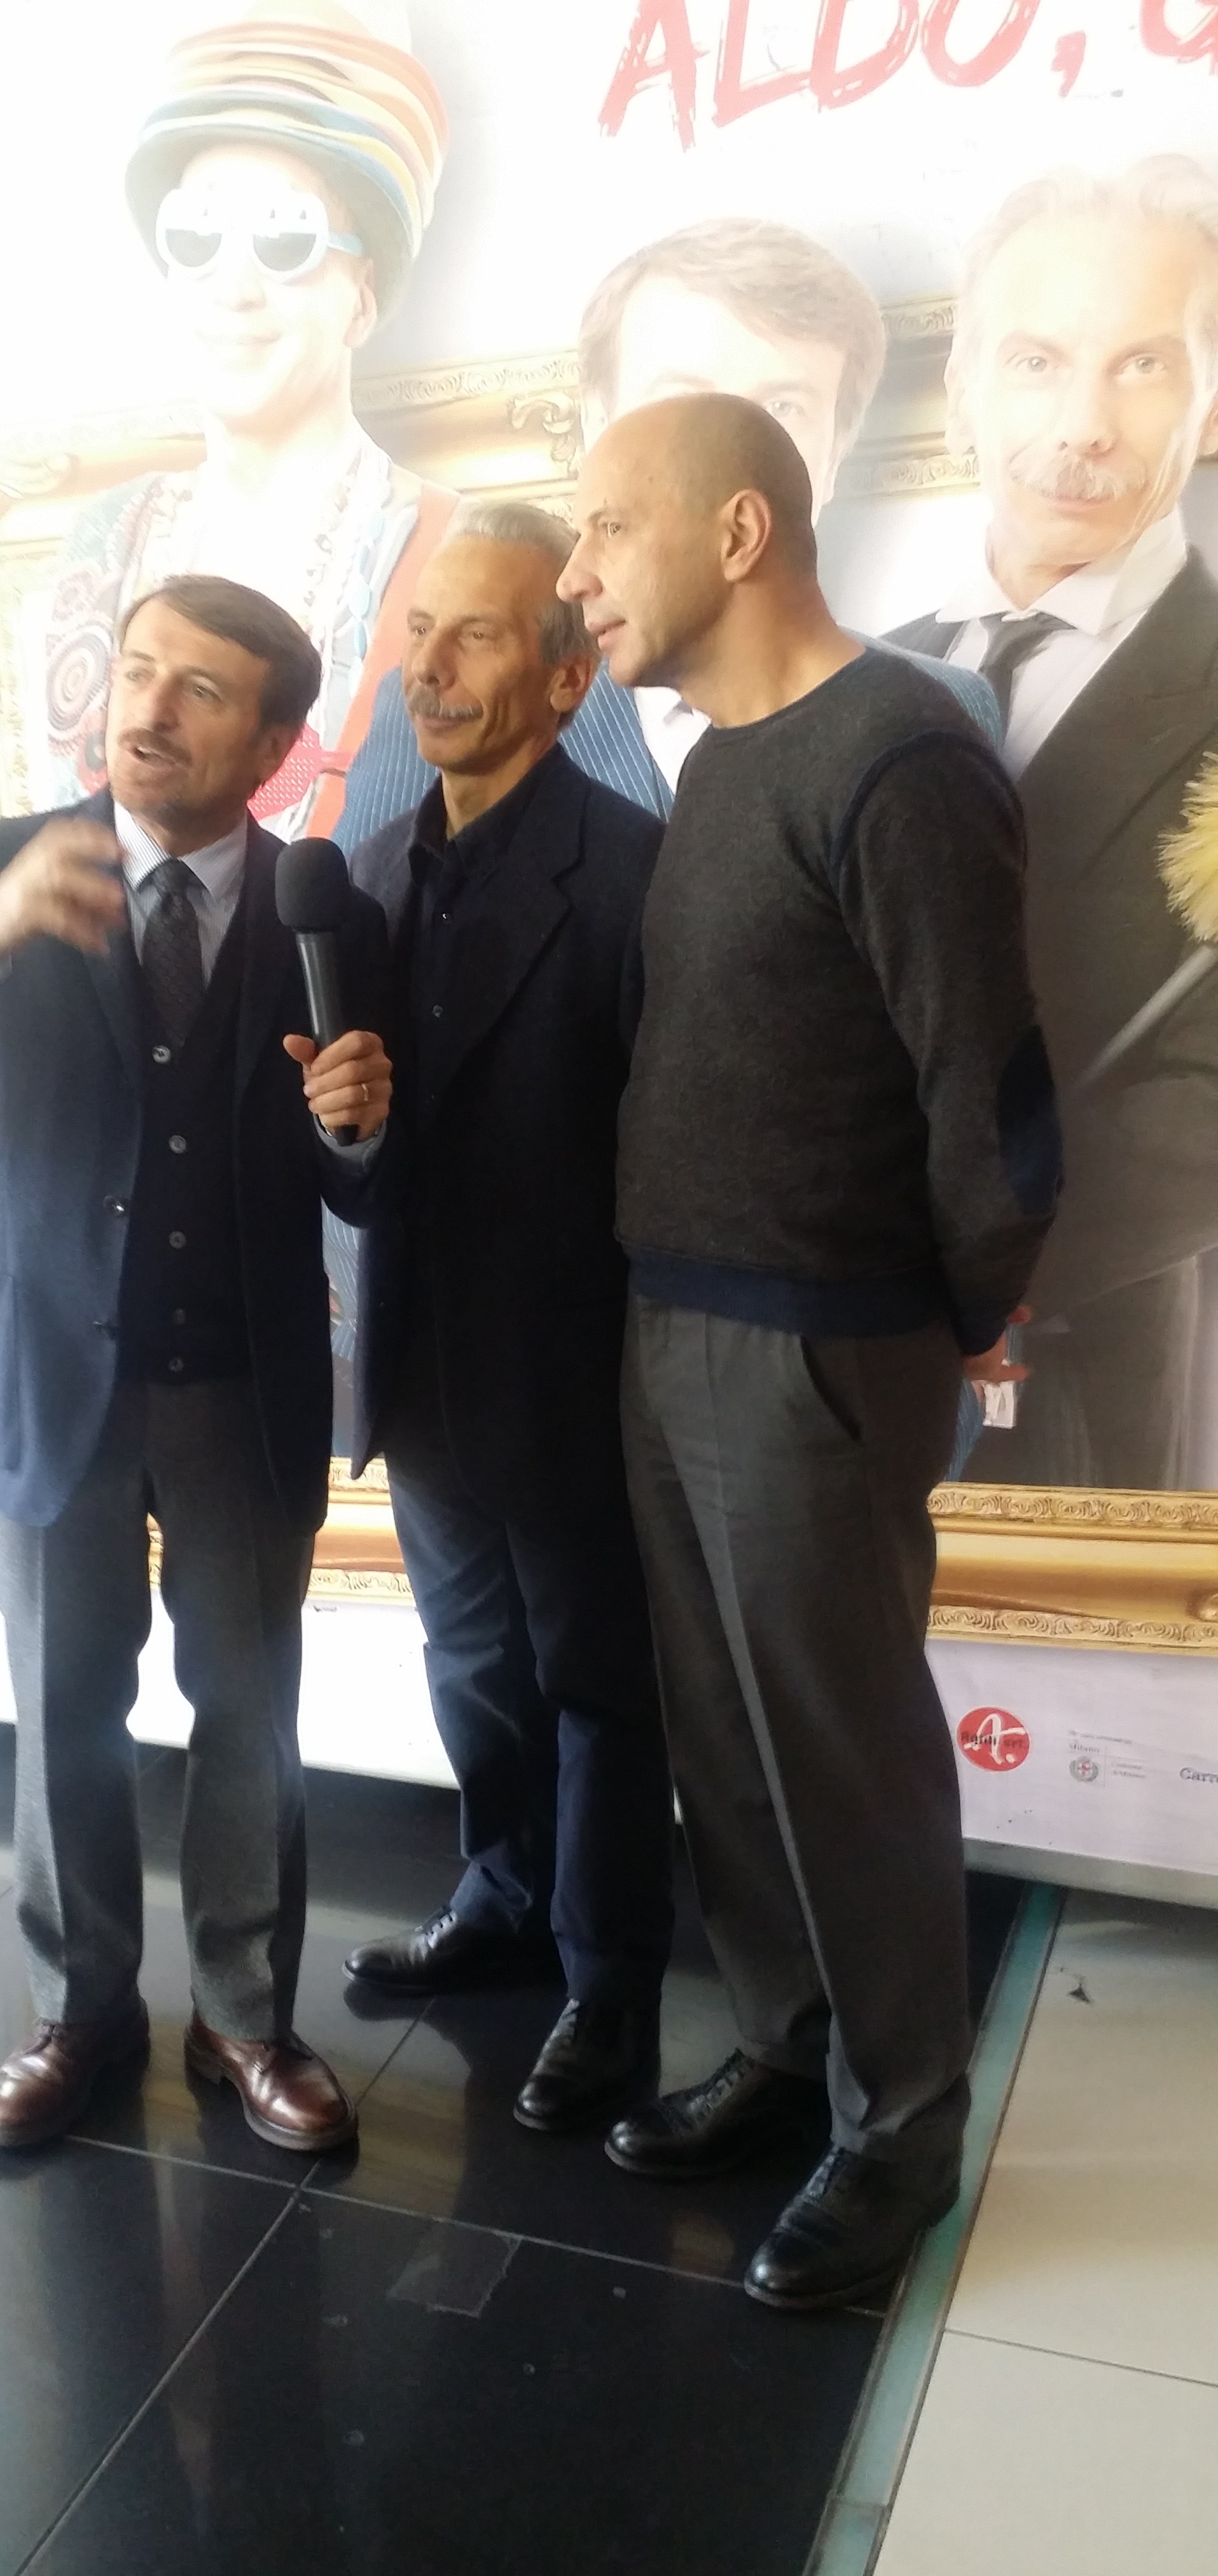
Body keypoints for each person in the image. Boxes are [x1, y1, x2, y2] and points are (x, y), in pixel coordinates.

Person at [557, 394, 1059, 2307]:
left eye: (607, 527)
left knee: (841, 1756)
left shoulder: (900, 751)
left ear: (738, 530)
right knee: (726, 1732)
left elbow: (985, 1091)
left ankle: (899, 2126)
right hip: (672, 1314)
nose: (578, 574)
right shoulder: (719, 764)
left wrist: (945, 1315)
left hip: (822, 1349)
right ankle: (783, 2046)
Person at [0, 577, 394, 2157]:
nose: (149, 710)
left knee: (250, 1712)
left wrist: (358, 1129)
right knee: (62, 1705)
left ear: (274, 743)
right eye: (138, 671)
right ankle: (81, 2012)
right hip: (41, 1376)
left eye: (202, 691)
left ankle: (247, 2019)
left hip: (241, 1382)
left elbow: (361, 1177)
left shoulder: (323, 911)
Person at [340, 502, 677, 2133]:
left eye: (474, 636)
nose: (432, 668)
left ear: (561, 677)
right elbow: (346, 1152)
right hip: (415, 1361)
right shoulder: (361, 876)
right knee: (470, 1659)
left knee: (598, 1680)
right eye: (421, 632)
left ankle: (607, 1985)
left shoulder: (631, 873)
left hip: (574, 1366)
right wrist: (339, 1134)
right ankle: (502, 1895)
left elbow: (673, 1154)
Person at [889, 156, 1218, 1489]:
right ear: (962, 389)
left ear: (1211, 399)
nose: (1084, 424)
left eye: (1143, 365)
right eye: (1037, 361)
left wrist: (948, 1263)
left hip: (1081, 1409)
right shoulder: (866, 673)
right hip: (822, 1397)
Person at [334, 214, 997, 848]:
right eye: (680, 401)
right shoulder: (454, 689)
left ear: (837, 452)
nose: (726, 453)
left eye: (783, 408)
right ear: (596, 424)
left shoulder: (937, 708)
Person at [45, 3, 453, 838]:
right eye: (196, 234)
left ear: (364, 294)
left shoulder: (464, 553)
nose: (233, 288)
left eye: (285, 236)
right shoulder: (101, 541)